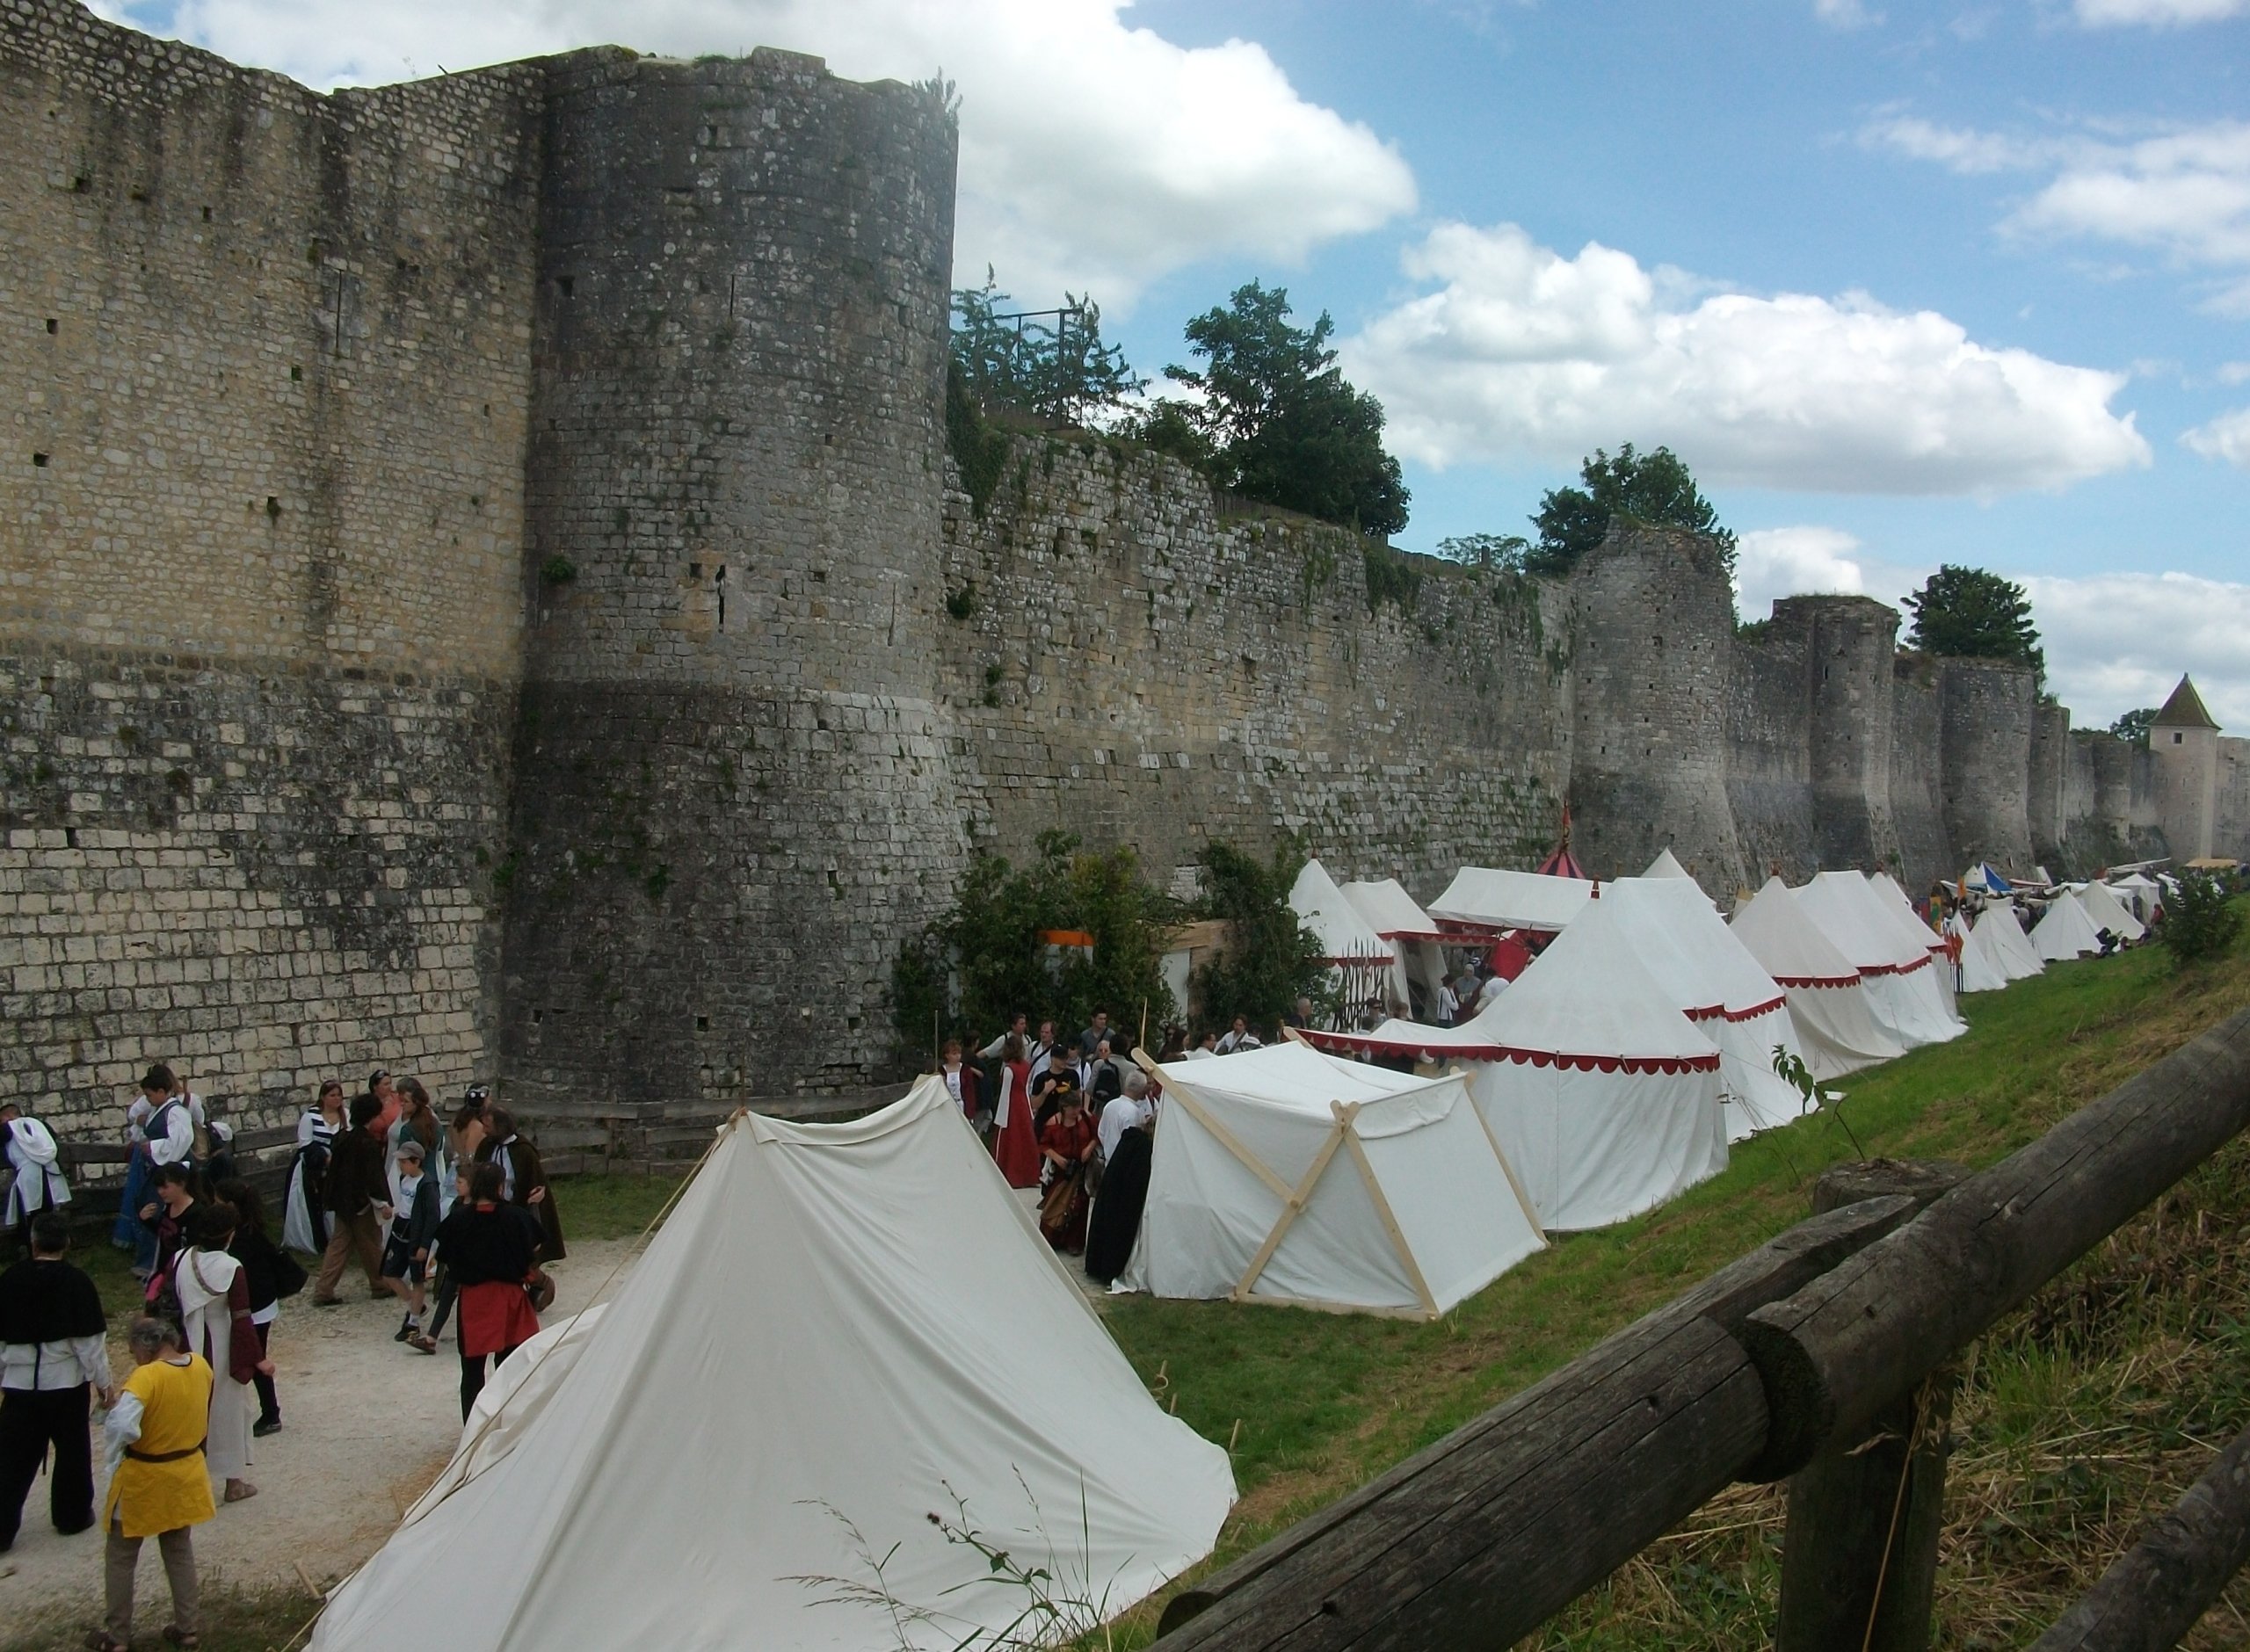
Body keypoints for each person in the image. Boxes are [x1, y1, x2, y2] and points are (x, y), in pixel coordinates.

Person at [93, 1316, 214, 1652]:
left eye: (133, 1350)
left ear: (145, 1345)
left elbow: (122, 1424)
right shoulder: (201, 1366)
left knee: (121, 1555)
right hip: (186, 1471)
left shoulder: (147, 1376)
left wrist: (116, 1452)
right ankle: (188, 1628)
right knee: (178, 1551)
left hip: (145, 1477)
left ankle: (117, 1637)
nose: (133, 1357)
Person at [0, 1210, 107, 1553]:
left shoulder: (10, 1280)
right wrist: (104, 1384)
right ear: (67, 1243)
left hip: (19, 1384)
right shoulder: (76, 1282)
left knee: (12, 1458)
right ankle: (72, 1515)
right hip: (65, 1383)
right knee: (73, 1451)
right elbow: (89, 1343)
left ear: (32, 1244)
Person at [433, 1163, 544, 1419]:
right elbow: (536, 1245)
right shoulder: (515, 1217)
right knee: (510, 1367)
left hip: (475, 1301)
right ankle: (508, 1424)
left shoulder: (459, 1219)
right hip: (509, 1299)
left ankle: (473, 1431)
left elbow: (446, 1257)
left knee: (472, 1373)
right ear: (500, 1187)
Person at [173, 1205, 265, 1504]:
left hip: (186, 1341)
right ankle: (234, 1484)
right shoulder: (231, 1267)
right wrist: (255, 1358)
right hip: (220, 1343)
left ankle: (186, 1482)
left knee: (189, 1411)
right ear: (230, 1235)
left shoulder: (180, 1259)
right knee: (228, 1410)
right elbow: (241, 1316)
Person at [215, 1181, 291, 1438]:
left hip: (255, 1306)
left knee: (255, 1356)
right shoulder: (252, 1230)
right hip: (260, 1303)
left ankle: (271, 1413)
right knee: (253, 1354)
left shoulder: (244, 1238)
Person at [312, 1094, 388, 1305]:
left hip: (341, 1200)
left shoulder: (342, 1137)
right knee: (371, 1242)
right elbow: (373, 1177)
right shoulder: (367, 1143)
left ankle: (323, 1290)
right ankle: (379, 1283)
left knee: (339, 1246)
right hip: (360, 1202)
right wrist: (382, 1202)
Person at [1085, 1079, 1157, 1286]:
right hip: (1124, 1178)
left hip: (1113, 1164)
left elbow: (1102, 1133)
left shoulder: (1111, 1106)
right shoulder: (1136, 1134)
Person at [477, 1107, 566, 1262]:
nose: (484, 1130)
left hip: (514, 1210)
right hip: (488, 1210)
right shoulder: (486, 1146)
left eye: (488, 1126)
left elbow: (534, 1181)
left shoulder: (523, 1151)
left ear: (501, 1126)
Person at [377, 1140, 440, 1350]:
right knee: (389, 1273)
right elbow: (406, 1206)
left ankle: (413, 1321)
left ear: (416, 1161)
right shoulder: (405, 1180)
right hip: (401, 1229)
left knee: (417, 1279)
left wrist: (425, 1244)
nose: (401, 1166)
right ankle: (415, 1305)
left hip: (416, 1233)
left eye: (405, 1162)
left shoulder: (427, 1185)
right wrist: (393, 1211)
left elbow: (432, 1216)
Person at [1036, 1080, 1100, 1256]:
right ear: (1064, 1108)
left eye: (1077, 1107)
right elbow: (1044, 1145)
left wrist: (1089, 1147)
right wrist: (1057, 1158)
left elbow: (1096, 1135)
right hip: (1061, 1171)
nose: (1075, 1111)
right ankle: (1051, 1240)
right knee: (1056, 1202)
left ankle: (1074, 1243)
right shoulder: (1053, 1122)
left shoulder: (1086, 1118)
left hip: (1081, 1168)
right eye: (1072, 1108)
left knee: (1079, 1206)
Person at [281, 1079, 345, 1255]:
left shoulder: (346, 1115)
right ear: (323, 1097)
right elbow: (305, 1144)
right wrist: (324, 1158)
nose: (337, 1099)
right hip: (313, 1167)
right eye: (332, 1095)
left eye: (339, 1095)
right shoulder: (311, 1117)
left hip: (339, 1167)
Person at [2, 1101, 70, 1257]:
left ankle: (32, 1249)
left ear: (8, 1117)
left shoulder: (9, 1128)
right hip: (48, 1173)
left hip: (28, 1177)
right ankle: (54, 1249)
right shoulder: (40, 1125)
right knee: (48, 1214)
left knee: (29, 1216)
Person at [139, 1164, 200, 1306]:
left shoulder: (195, 1214)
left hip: (182, 1276)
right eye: (159, 1188)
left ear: (182, 1184)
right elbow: (165, 1234)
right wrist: (146, 1220)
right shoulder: (168, 1207)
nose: (161, 1192)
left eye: (165, 1187)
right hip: (163, 1271)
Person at [991, 1033, 1041, 1189]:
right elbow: (1026, 1089)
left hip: (1011, 1107)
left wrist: (1000, 1119)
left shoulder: (1008, 1069)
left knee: (1011, 1139)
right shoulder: (1026, 1066)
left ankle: (1008, 1174)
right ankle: (1028, 1176)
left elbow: (1005, 1094)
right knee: (1025, 1138)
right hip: (1023, 1105)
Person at [387, 1077, 445, 1207]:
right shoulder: (436, 1125)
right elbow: (439, 1151)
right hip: (434, 1178)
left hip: (412, 1183)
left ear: (416, 1104)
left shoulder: (408, 1129)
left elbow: (402, 1160)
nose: (402, 1104)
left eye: (406, 1101)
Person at [446, 1087, 490, 1214]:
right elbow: (471, 1155)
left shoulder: (456, 1122)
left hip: (455, 1166)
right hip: (468, 1172)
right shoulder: (476, 1126)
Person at [938, 1040, 983, 1134]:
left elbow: (970, 1091)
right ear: (947, 1055)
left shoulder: (965, 1070)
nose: (958, 1056)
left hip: (961, 1105)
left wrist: (970, 1111)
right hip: (947, 1106)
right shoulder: (941, 1071)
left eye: (959, 1053)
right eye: (954, 1054)